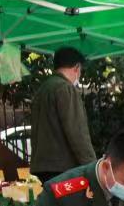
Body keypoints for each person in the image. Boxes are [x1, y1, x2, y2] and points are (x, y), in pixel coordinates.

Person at [30, 46, 96, 183]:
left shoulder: (43, 89)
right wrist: (92, 168)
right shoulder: (65, 88)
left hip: (42, 166)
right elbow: (77, 133)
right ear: (77, 67)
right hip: (63, 167)